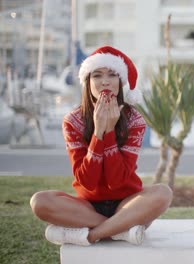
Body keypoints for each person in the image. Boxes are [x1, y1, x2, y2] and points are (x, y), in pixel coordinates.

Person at [29, 46, 173, 246]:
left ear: (121, 82)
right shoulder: (73, 120)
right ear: (88, 83)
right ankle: (120, 230)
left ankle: (91, 235)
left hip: (128, 205)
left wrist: (110, 132)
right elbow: (87, 181)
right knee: (40, 201)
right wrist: (98, 132)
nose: (105, 81)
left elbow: (117, 182)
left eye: (112, 75)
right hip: (86, 208)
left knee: (163, 193)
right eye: (97, 75)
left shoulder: (135, 120)